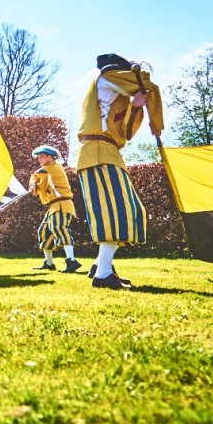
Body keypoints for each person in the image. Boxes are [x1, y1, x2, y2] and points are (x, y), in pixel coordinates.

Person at [78, 54, 164, 290]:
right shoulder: (107, 77)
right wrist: (156, 122)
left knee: (128, 211)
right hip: (97, 152)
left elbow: (124, 132)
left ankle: (100, 265)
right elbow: (145, 83)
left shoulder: (114, 93)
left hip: (106, 152)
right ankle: (103, 275)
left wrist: (136, 106)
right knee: (117, 213)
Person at [29, 146, 80, 273]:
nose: (39, 159)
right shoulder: (46, 169)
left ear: (50, 157)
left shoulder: (52, 168)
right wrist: (33, 184)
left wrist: (33, 185)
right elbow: (35, 178)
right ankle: (49, 263)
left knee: (59, 228)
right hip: (54, 205)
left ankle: (72, 261)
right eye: (38, 157)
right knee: (44, 231)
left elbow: (37, 175)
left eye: (42, 156)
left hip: (62, 204)